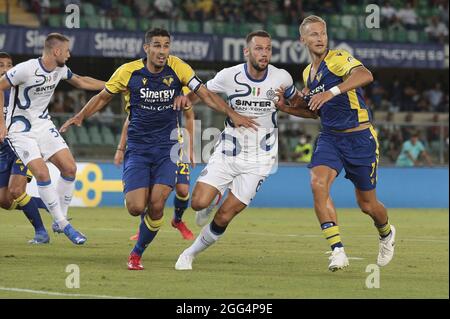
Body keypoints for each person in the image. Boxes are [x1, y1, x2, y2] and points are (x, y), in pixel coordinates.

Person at [60, 28, 257, 270]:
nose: (162, 51)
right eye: (157, 45)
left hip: (168, 149)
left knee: (157, 204)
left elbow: (203, 93)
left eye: (166, 46)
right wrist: (80, 116)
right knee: (136, 207)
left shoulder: (179, 68)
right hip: (138, 149)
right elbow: (102, 97)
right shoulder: (128, 71)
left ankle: (136, 254)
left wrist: (231, 113)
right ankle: (142, 215)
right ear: (147, 48)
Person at [174, 30, 317, 271]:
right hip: (229, 149)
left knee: (225, 216)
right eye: (259, 48)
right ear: (247, 51)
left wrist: (290, 105)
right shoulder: (230, 75)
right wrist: (185, 98)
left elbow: (303, 106)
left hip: (260, 158)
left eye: (268, 49)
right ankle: (213, 199)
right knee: (198, 203)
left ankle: (189, 254)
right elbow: (203, 91)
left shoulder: (281, 77)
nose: (265, 53)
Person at [289, 15, 396, 271]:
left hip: (360, 138)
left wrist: (332, 91)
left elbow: (365, 74)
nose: (320, 38)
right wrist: (285, 108)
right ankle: (337, 250)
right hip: (330, 137)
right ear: (302, 39)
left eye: (323, 33)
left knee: (367, 205)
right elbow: (316, 111)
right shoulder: (308, 73)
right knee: (318, 183)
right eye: (313, 34)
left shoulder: (337, 59)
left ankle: (386, 233)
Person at [0, 33, 105, 245]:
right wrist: (2, 124)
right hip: (20, 130)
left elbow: (82, 81)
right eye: (66, 50)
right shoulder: (25, 69)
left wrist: (115, 84)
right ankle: (64, 224)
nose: (69, 54)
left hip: (43, 124)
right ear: (56, 51)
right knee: (42, 172)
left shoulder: (60, 70)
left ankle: (59, 219)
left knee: (70, 168)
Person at [114, 97, 195, 241]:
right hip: (151, 146)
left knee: (183, 190)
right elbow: (129, 120)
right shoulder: (147, 92)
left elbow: (189, 118)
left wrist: (191, 148)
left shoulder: (181, 88)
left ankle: (177, 220)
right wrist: (120, 148)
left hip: (177, 145)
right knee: (148, 193)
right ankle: (144, 227)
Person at [0, 52, 50, 244]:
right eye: (1, 65)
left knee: (16, 190)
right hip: (4, 150)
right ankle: (48, 205)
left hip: (23, 144)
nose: (6, 69)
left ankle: (41, 233)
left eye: (9, 65)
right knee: (4, 200)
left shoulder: (20, 88)